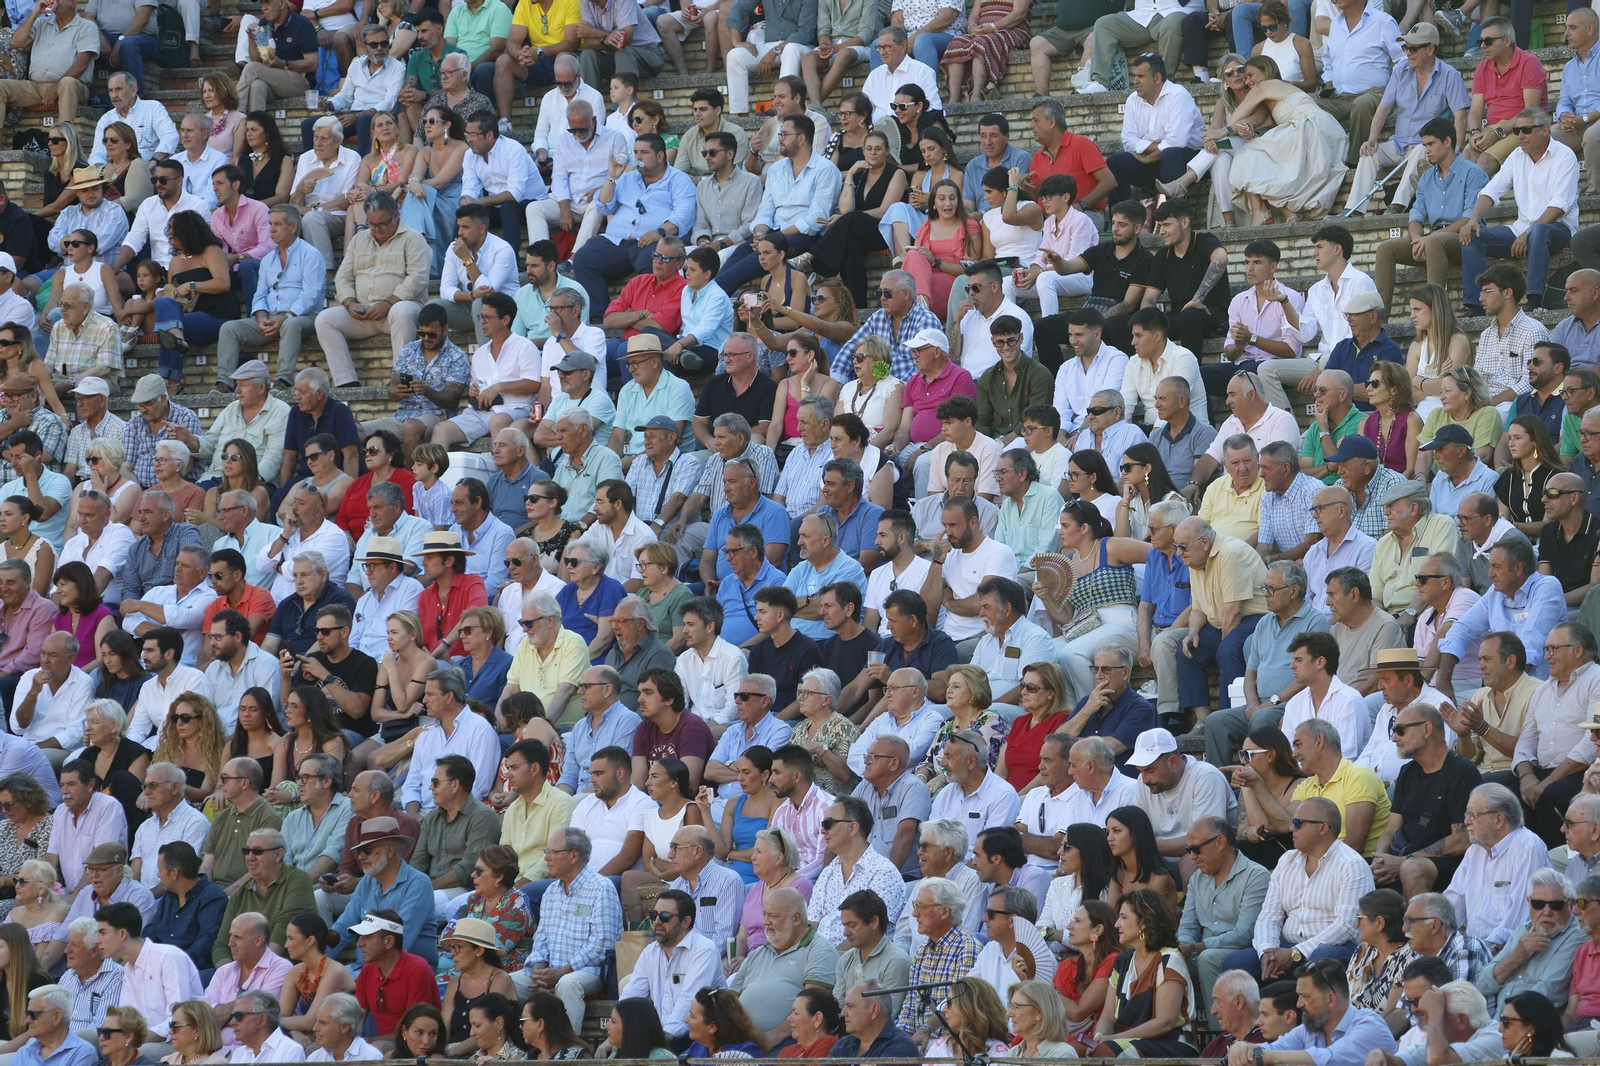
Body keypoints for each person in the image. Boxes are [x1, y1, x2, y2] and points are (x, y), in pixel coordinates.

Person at [1219, 797, 1375, 979]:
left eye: (1298, 823)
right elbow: (1269, 916)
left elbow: (1346, 927)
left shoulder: (1351, 865)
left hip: (1337, 948)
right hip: (1289, 945)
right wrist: (1267, 952)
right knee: (1236, 963)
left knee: (1322, 959)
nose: (1292, 828)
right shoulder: (1287, 860)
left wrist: (1296, 953)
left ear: (1323, 828)